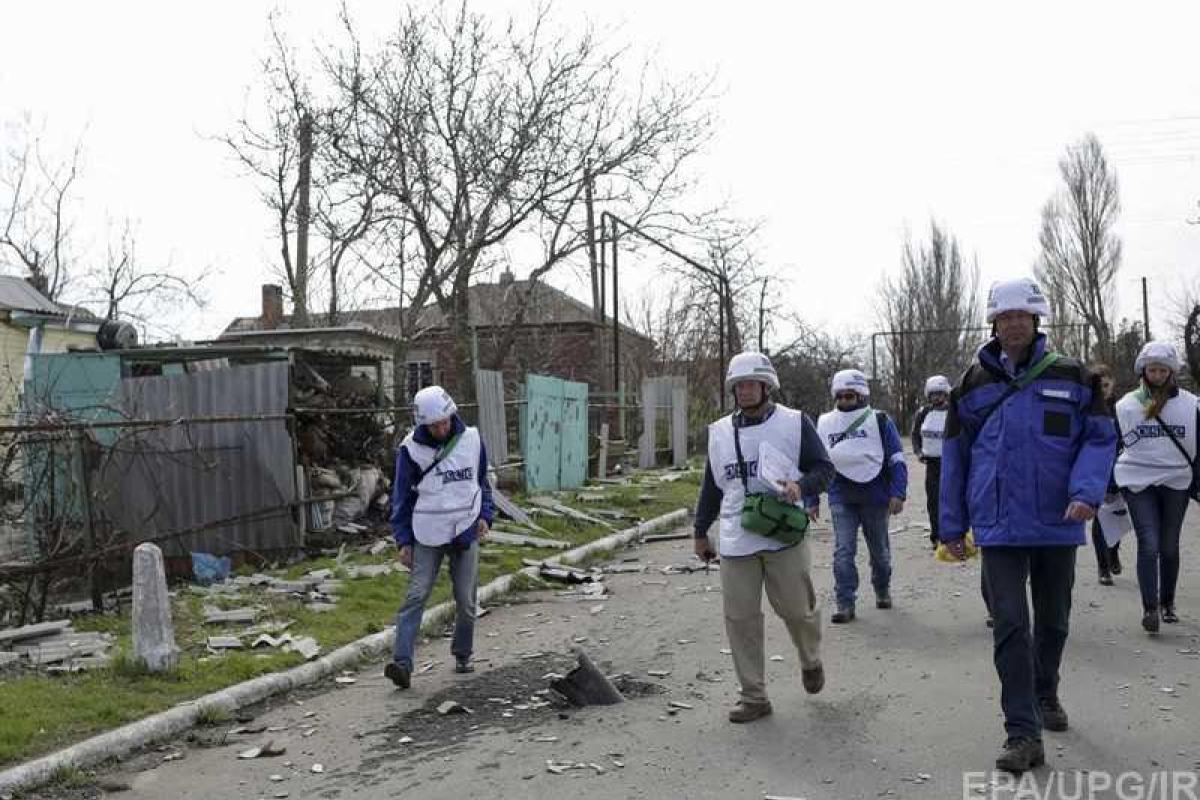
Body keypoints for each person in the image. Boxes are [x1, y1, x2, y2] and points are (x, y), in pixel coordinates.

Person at [940, 277, 1116, 774]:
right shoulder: (972, 384)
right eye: (1005, 316)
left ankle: (1045, 692)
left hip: (1059, 520)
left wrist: (1086, 492)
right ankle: (1022, 732)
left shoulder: (1072, 376)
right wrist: (951, 525)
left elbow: (1099, 439)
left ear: (1036, 320)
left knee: (1054, 621)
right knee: (1011, 625)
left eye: (1022, 315)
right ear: (993, 323)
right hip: (998, 525)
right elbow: (955, 456)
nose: (1014, 323)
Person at [693, 351, 835, 723]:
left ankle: (810, 659)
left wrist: (801, 486)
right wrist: (700, 532)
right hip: (736, 536)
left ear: (766, 386)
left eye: (751, 384)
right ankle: (754, 697)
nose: (744, 391)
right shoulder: (720, 432)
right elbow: (711, 486)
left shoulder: (794, 423)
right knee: (740, 619)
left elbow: (824, 468)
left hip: (783, 533)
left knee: (797, 610)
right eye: (738, 386)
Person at [384, 385, 493, 690]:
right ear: (423, 424)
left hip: (465, 528)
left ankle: (463, 654)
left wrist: (485, 515)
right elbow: (401, 499)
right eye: (434, 426)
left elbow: (482, 481)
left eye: (444, 423)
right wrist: (403, 541)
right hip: (427, 533)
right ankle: (402, 664)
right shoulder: (410, 450)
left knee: (466, 600)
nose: (441, 429)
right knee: (416, 595)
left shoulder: (471, 440)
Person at [808, 369, 908, 623]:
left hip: (876, 496)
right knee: (843, 551)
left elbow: (897, 458)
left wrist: (898, 492)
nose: (843, 401)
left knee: (880, 553)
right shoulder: (825, 423)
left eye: (849, 396)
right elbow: (815, 463)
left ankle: (882, 588)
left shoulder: (880, 420)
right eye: (839, 396)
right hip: (841, 495)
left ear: (861, 395)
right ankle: (845, 603)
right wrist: (811, 499)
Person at [1112, 341, 1198, 633]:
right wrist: (1108, 485)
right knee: (1149, 544)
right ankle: (1150, 609)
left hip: (1177, 481)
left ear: (1172, 372)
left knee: (1169, 546)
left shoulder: (1191, 404)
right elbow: (1113, 444)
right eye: (1153, 370)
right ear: (1143, 371)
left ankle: (1167, 603)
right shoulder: (1126, 405)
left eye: (1163, 370)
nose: (1158, 375)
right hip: (1138, 480)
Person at [1089, 363, 1123, 586]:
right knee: (1100, 519)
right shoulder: (1086, 408)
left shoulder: (1122, 410)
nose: (1103, 390)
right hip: (1095, 471)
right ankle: (1103, 567)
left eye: (1106, 385)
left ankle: (1113, 551)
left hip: (1119, 470)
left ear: (1112, 384)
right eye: (1098, 386)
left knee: (1117, 515)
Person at [912, 375, 952, 550]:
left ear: (946, 394)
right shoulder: (923, 413)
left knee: (951, 499)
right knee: (933, 501)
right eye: (933, 394)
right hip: (932, 464)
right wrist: (918, 452)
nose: (937, 398)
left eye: (940, 394)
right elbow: (915, 435)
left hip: (951, 463)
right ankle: (936, 536)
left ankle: (953, 535)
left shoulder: (954, 411)